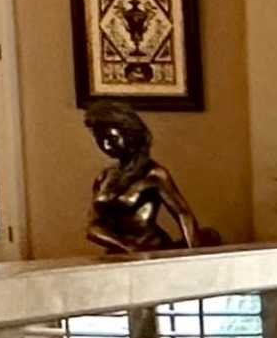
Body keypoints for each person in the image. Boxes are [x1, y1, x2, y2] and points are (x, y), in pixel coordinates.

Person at [83, 102, 209, 255]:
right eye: (100, 140)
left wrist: (193, 256)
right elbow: (93, 226)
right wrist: (127, 248)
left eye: (111, 138)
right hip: (119, 254)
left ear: (129, 136)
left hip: (152, 250)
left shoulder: (153, 174)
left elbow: (182, 213)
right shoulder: (104, 177)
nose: (106, 146)